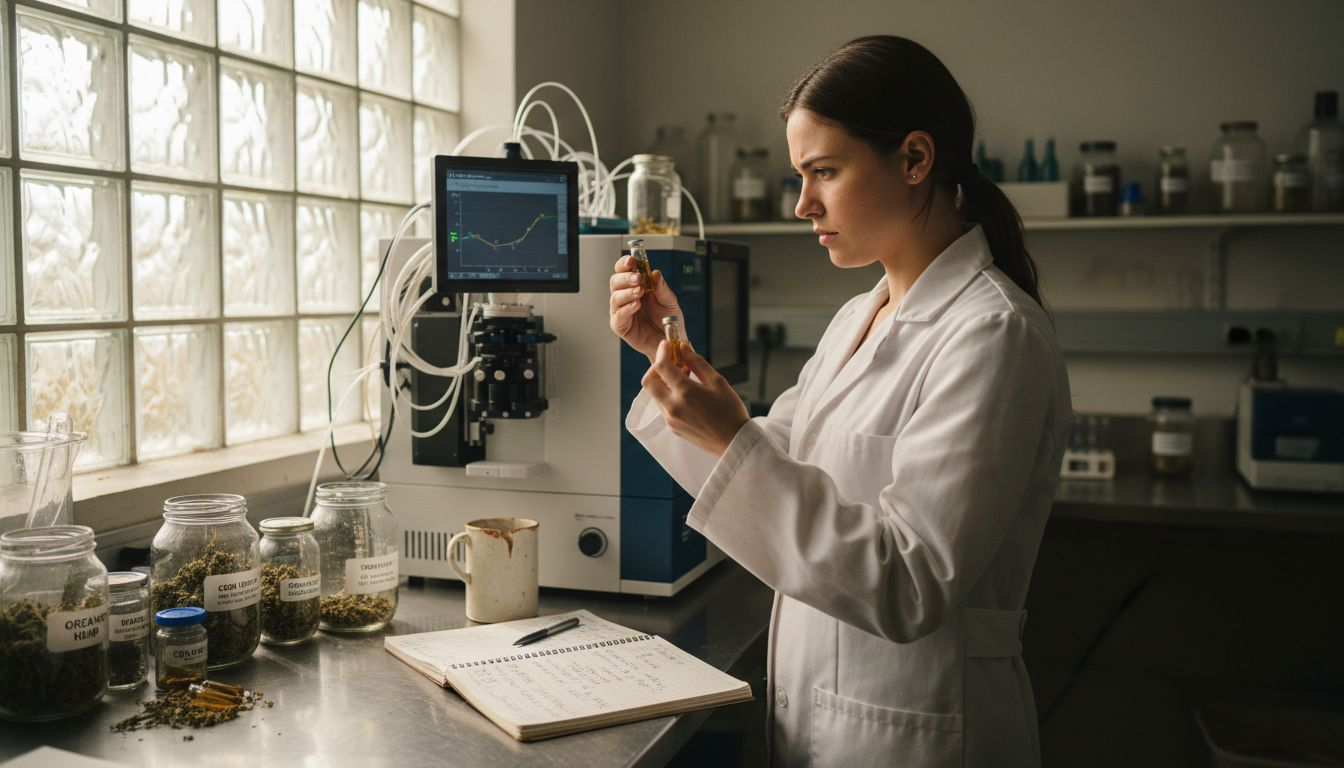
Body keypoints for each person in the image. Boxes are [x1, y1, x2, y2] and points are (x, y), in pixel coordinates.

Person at [608, 35, 1072, 768]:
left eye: (824, 170)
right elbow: (775, 462)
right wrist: (668, 353)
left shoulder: (994, 335)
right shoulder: (859, 317)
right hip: (826, 723)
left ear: (915, 160)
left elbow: (912, 583)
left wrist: (734, 439)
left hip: (925, 736)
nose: (802, 203)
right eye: (801, 175)